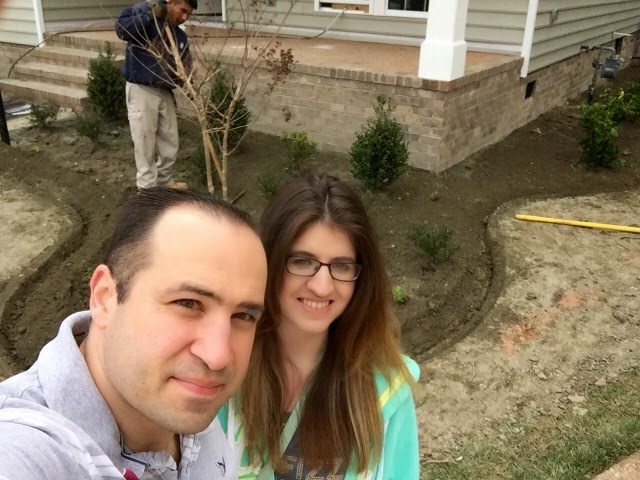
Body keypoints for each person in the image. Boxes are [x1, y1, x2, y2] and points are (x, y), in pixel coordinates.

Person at [0, 187, 267, 479]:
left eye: (244, 316)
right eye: (187, 303)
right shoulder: (26, 450)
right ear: (104, 297)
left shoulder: (187, 400)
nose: (218, 356)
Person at [221, 174, 421, 479]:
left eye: (341, 266)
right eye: (302, 261)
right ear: (270, 261)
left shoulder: (386, 387)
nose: (322, 286)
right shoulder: (223, 366)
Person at [116, 0, 197, 190]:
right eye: (182, 11)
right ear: (171, 2)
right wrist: (148, 16)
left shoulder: (179, 36)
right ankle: (147, 191)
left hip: (165, 91)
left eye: (188, 14)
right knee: (145, 142)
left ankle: (164, 182)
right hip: (141, 89)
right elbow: (122, 29)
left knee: (170, 139)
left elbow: (184, 66)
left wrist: (189, 85)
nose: (184, 17)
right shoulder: (145, 12)